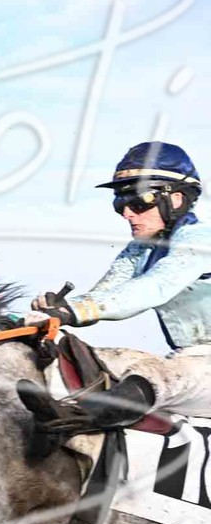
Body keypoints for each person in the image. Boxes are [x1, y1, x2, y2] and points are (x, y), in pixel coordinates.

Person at [24, 141, 208, 430]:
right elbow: (106, 293)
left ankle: (80, 423)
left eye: (139, 202)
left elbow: (153, 287)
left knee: (155, 376)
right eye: (120, 203)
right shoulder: (141, 248)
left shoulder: (201, 239)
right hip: (188, 359)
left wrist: (74, 311)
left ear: (176, 199)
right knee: (96, 359)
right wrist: (54, 310)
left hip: (197, 368)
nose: (127, 213)